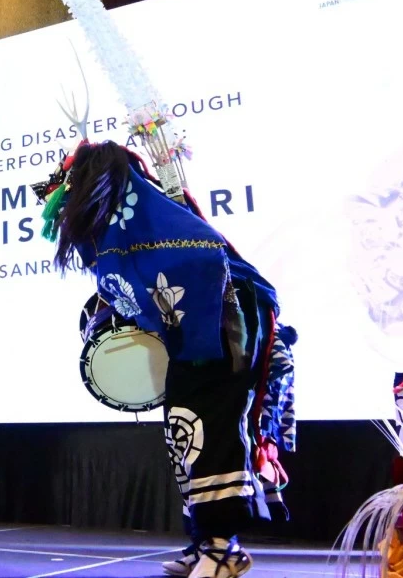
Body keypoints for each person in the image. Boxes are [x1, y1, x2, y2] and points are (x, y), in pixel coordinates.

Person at [38, 141, 296, 578]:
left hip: (225, 330)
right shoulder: (131, 232)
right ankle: (205, 541)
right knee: (186, 436)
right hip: (198, 339)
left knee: (208, 431)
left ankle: (223, 548)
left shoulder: (158, 222)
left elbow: (204, 264)